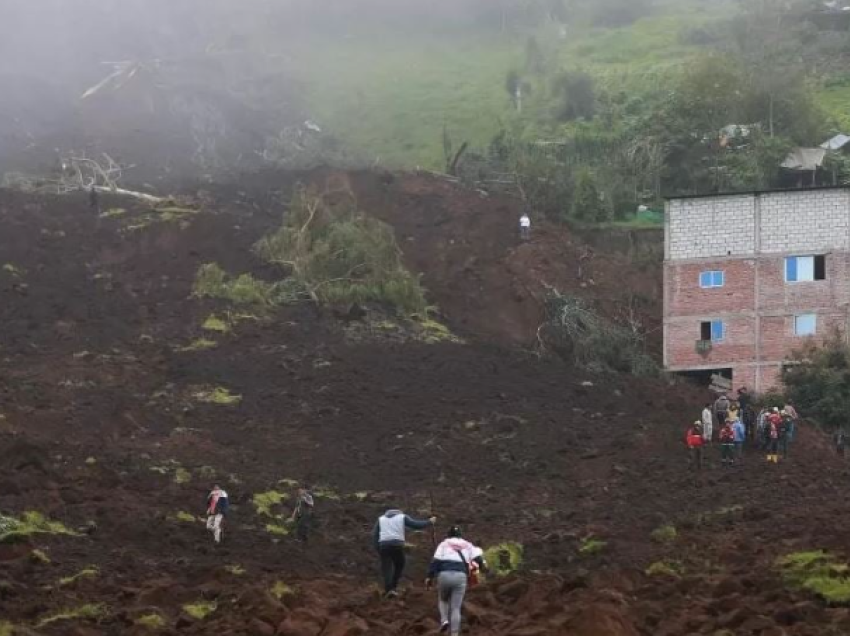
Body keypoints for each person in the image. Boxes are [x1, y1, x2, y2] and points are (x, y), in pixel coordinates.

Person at [425, 526, 487, 636]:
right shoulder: (467, 545)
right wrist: (484, 568)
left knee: (443, 600)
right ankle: (454, 634)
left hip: (444, 575)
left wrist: (429, 577)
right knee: (456, 608)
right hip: (460, 576)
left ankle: (444, 620)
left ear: (449, 535)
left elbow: (436, 561)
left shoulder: (444, 544)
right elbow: (478, 558)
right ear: (460, 535)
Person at [373, 509, 437, 598]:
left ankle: (388, 589)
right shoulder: (402, 517)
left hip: (384, 545)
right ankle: (393, 587)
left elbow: (375, 535)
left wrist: (378, 548)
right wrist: (429, 522)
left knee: (386, 567)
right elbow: (415, 525)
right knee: (399, 564)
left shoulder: (381, 519)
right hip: (396, 544)